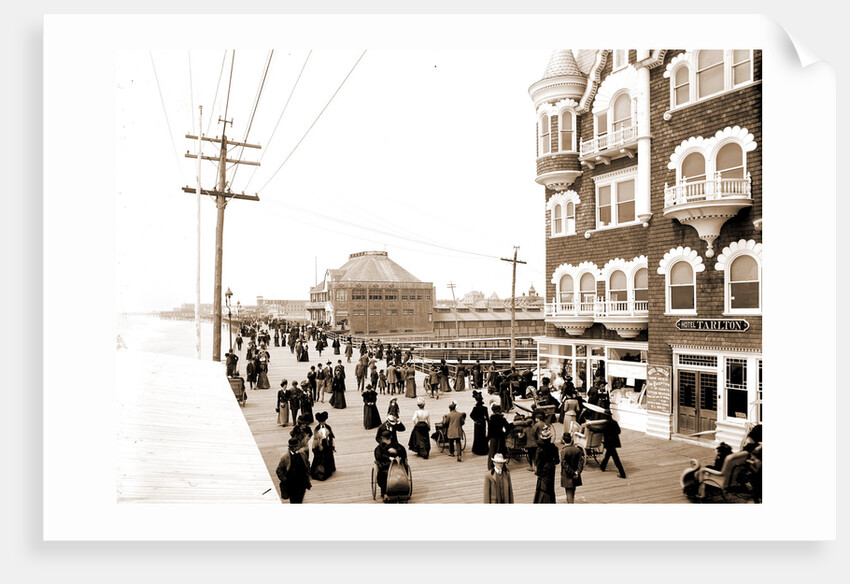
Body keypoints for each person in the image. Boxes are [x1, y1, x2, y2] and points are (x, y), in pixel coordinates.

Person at [374, 429, 409, 502]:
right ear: (391, 437)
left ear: (382, 438)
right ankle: (386, 491)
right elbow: (379, 457)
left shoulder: (380, 448)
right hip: (389, 467)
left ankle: (386, 491)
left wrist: (396, 451)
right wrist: (389, 457)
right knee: (385, 473)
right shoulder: (397, 446)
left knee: (386, 473)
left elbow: (378, 456)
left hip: (395, 466)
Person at [276, 438, 312, 503]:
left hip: (302, 483)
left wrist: (307, 473)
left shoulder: (303, 455)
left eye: (297, 446)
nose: (296, 448)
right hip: (291, 484)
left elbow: (307, 464)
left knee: (300, 500)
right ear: (290, 447)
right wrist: (285, 480)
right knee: (293, 501)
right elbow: (279, 470)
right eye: (294, 447)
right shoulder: (285, 458)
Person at [533, 426, 559, 504]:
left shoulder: (540, 449)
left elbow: (538, 463)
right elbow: (557, 461)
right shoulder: (554, 447)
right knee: (550, 487)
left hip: (543, 470)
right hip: (551, 469)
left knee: (543, 488)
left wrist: (537, 472)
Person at [599, 410, 627, 479]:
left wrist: (590, 428)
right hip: (614, 442)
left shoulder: (606, 424)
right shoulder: (614, 422)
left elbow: (600, 430)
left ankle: (622, 473)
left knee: (616, 459)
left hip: (609, 443)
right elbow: (619, 431)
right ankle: (602, 466)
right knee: (608, 455)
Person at [310, 411, 336, 481]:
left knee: (328, 456)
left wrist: (333, 446)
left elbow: (331, 437)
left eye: (323, 421)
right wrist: (314, 447)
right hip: (319, 444)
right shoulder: (317, 429)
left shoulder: (328, 427)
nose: (322, 423)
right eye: (321, 422)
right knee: (320, 458)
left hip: (327, 444)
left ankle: (329, 469)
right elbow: (315, 439)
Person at [559, 432, 584, 504]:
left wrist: (572, 473)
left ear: (563, 440)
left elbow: (564, 464)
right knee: (573, 490)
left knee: (568, 492)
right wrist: (577, 472)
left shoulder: (563, 451)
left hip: (567, 475)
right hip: (576, 474)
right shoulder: (577, 450)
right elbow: (581, 462)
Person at [487, 403, 511, 470]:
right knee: (501, 451)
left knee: (492, 451)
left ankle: (491, 466)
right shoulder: (502, 418)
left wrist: (488, 438)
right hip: (501, 436)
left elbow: (489, 430)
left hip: (493, 437)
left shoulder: (491, 419)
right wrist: (505, 434)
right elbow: (508, 427)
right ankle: (502, 466)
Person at [470, 390, 489, 456]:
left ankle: (477, 449)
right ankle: (484, 449)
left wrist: (475, 420)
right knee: (483, 435)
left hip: (477, 423)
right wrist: (489, 424)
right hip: (483, 422)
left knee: (477, 436)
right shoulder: (485, 408)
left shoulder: (475, 408)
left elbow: (471, 415)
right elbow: (487, 417)